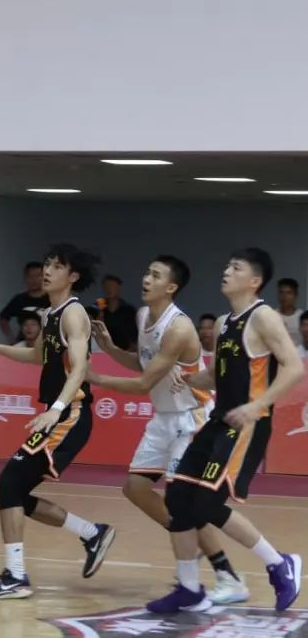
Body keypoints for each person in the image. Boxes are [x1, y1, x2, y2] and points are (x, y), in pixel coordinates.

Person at [148, 248, 302, 613]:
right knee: (177, 499)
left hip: (248, 424)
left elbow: (294, 367)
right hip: (219, 421)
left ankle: (280, 564)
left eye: (236, 267)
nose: (227, 271)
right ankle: (189, 588)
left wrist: (257, 405)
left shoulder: (263, 316)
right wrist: (190, 379)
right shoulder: (222, 323)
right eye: (227, 265)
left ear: (254, 281)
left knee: (207, 503)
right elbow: (218, 374)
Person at [88, 256, 248, 605]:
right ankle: (187, 537)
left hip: (191, 418)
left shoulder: (179, 327)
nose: (146, 278)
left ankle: (227, 576)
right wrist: (111, 349)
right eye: (147, 272)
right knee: (135, 488)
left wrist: (94, 377)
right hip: (164, 418)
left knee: (183, 502)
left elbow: (144, 383)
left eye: (155, 275)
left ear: (171, 287)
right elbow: (144, 362)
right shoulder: (143, 316)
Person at [0, 244, 114, 599]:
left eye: (57, 266)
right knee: (13, 490)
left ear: (72, 276)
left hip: (69, 415)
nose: (47, 271)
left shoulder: (74, 314)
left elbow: (79, 369)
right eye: (47, 264)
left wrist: (56, 408)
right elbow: (36, 356)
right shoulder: (49, 315)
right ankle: (92, 533)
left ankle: (16, 577)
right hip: (59, 414)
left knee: (8, 484)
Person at [0, 262, 49, 343]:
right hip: (24, 344)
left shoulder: (52, 298)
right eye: (30, 276)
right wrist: (10, 338)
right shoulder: (19, 299)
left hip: (47, 343)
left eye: (38, 276)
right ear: (25, 278)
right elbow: (3, 318)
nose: (34, 280)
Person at [97, 274, 138, 350]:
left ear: (118, 288)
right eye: (106, 287)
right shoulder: (99, 308)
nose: (109, 289)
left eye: (112, 286)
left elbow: (134, 336)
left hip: (125, 351)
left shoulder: (129, 310)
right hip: (102, 351)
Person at [276, 278, 301, 345]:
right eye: (281, 292)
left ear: (295, 295)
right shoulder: (271, 316)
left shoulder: (301, 317)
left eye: (289, 293)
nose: (284, 296)